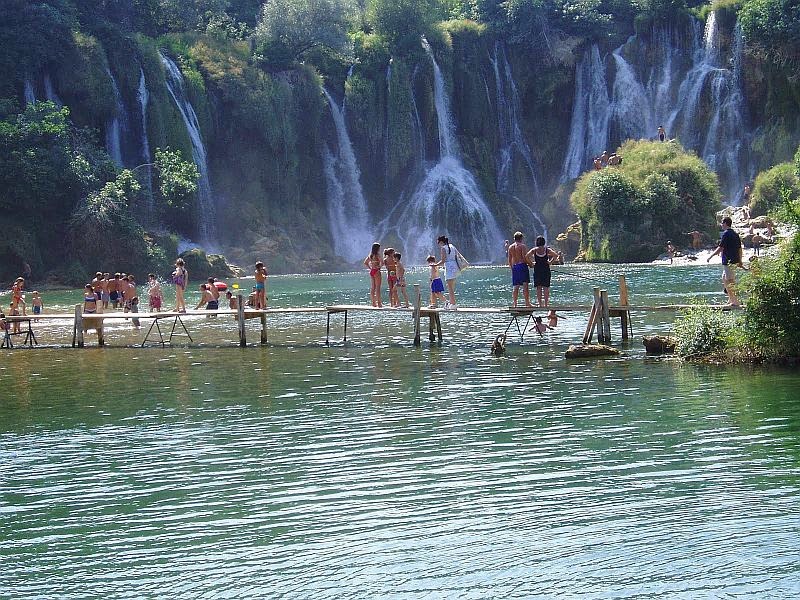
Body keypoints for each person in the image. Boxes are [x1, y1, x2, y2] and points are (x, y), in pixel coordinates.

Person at [707, 216, 743, 307]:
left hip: (729, 261)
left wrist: (710, 256)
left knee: (730, 280)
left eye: (722, 223)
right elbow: (740, 249)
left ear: (726, 224)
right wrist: (740, 260)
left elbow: (721, 247)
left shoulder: (726, 234)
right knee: (724, 278)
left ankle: (735, 301)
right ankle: (731, 299)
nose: (721, 225)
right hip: (733, 260)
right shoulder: (735, 234)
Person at [526, 236, 558, 307]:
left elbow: (526, 256)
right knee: (546, 287)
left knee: (539, 287)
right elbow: (555, 255)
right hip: (546, 270)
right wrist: (550, 262)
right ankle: (546, 304)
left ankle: (540, 304)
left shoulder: (534, 250)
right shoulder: (547, 250)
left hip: (537, 270)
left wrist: (531, 264)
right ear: (544, 242)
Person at [507, 231, 533, 308]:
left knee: (516, 286)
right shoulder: (522, 246)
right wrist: (530, 264)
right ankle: (527, 303)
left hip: (515, 266)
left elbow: (509, 259)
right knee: (525, 285)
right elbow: (525, 257)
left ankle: (515, 304)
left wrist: (512, 268)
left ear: (514, 238)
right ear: (521, 238)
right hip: (522, 266)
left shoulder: (510, 247)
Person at [437, 235, 463, 310]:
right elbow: (457, 255)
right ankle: (452, 303)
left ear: (441, 242)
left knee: (449, 287)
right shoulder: (452, 246)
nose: (439, 244)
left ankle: (453, 304)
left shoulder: (443, 248)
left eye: (438, 242)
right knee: (451, 286)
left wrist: (435, 265)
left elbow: (443, 260)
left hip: (449, 267)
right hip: (455, 266)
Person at [364, 242, 383, 308]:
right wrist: (379, 267)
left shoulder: (370, 255)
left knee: (373, 288)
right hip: (377, 271)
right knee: (378, 288)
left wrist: (370, 268)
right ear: (377, 248)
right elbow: (382, 262)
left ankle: (373, 303)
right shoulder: (377, 255)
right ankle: (379, 303)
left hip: (372, 271)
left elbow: (365, 262)